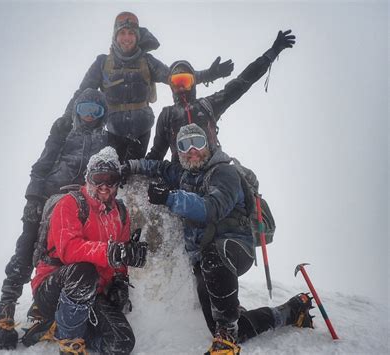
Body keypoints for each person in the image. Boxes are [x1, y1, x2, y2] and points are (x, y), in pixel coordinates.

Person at [123, 124, 313, 354]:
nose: (192, 150)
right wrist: (130, 166)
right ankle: (292, 311)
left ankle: (226, 336)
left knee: (215, 261)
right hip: (204, 257)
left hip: (235, 246)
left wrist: (170, 197)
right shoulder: (184, 173)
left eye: (198, 143)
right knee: (223, 322)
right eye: (185, 145)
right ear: (179, 151)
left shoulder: (224, 172)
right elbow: (160, 167)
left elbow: (212, 208)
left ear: (209, 145)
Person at [0, 89, 115, 349]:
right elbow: (41, 166)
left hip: (80, 202)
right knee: (26, 248)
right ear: (76, 111)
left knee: (66, 252)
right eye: (84, 110)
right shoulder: (63, 131)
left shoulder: (106, 139)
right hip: (48, 197)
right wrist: (33, 200)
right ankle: (5, 307)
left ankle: (45, 307)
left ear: (104, 114)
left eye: (97, 110)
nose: (90, 116)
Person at [21, 147, 147, 354]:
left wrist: (120, 279)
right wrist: (112, 251)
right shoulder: (70, 204)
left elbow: (120, 256)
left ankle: (60, 326)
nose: (104, 187)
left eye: (111, 179)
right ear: (88, 178)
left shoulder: (120, 212)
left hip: (92, 291)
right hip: (53, 288)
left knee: (122, 343)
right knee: (83, 271)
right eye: (98, 179)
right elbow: (69, 250)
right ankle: (70, 342)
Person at [71, 11, 234, 161]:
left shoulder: (147, 61)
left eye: (131, 33)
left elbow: (175, 78)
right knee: (111, 172)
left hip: (141, 130)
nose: (126, 37)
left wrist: (210, 74)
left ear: (137, 37)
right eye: (122, 33)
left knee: (133, 173)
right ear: (115, 36)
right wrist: (67, 118)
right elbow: (82, 93)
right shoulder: (102, 63)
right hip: (113, 132)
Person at [145, 30, 296, 163]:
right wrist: (134, 168)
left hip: (211, 167)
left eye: (185, 80)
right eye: (176, 82)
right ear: (171, 86)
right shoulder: (167, 115)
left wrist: (272, 53)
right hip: (180, 174)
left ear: (193, 83)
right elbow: (157, 152)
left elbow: (242, 82)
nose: (181, 87)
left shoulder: (207, 105)